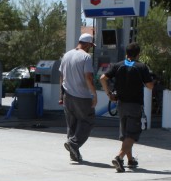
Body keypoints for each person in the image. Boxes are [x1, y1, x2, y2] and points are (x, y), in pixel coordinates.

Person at [100, 42, 154, 173]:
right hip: (135, 105)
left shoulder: (117, 65)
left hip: (121, 104)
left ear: (126, 53)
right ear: (138, 54)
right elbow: (150, 86)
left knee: (125, 133)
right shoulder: (141, 67)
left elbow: (103, 78)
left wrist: (109, 94)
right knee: (132, 134)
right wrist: (152, 80)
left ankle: (130, 160)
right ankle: (119, 157)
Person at [60, 32, 97, 163]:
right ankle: (74, 144)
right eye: (91, 45)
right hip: (82, 96)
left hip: (67, 95)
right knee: (88, 120)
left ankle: (74, 153)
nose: (91, 48)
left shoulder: (66, 55)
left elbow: (62, 77)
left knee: (72, 124)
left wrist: (61, 95)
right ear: (87, 44)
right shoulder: (86, 57)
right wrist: (94, 94)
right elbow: (88, 77)